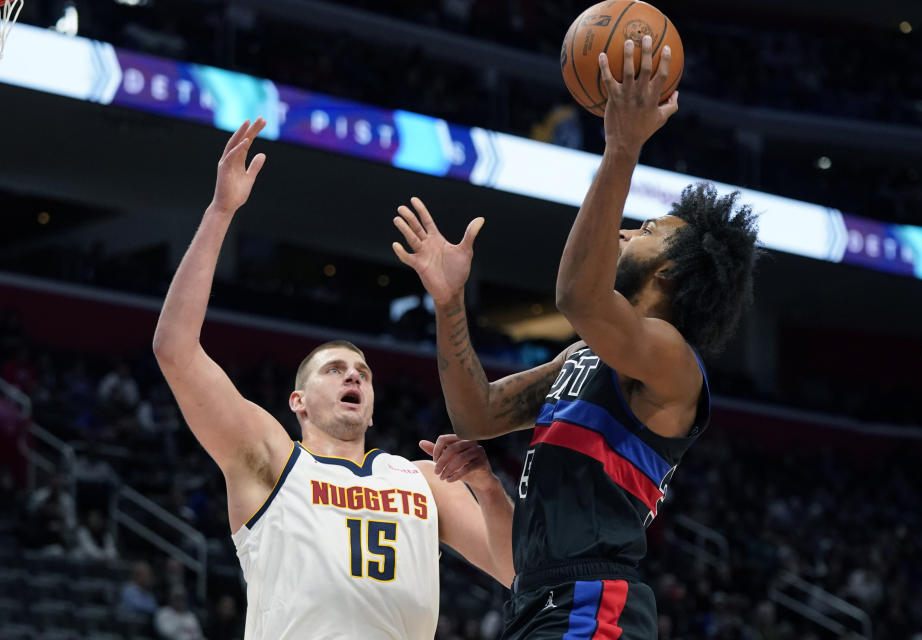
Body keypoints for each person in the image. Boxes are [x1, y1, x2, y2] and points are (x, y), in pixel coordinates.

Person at [394, 36, 759, 639]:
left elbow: (577, 296)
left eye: (647, 230)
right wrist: (449, 301)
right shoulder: (583, 354)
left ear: (669, 274)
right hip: (538, 598)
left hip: (594, 604)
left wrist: (623, 147)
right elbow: (477, 413)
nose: (626, 233)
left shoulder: (673, 365)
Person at [152, 118, 515, 640]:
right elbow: (175, 350)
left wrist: (488, 486)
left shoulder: (426, 479)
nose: (354, 375)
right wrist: (220, 211)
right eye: (335, 369)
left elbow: (520, 573)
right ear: (298, 401)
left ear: (370, 403)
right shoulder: (271, 460)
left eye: (363, 373)